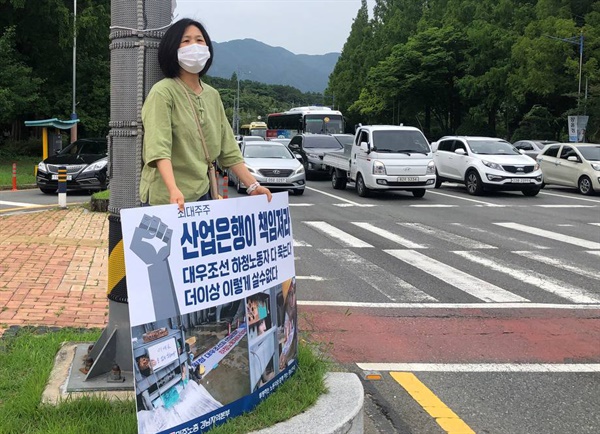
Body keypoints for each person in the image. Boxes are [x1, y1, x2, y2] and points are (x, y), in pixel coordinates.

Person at [140, 18, 272, 210]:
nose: (194, 46)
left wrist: (253, 186)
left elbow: (229, 150)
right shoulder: (163, 92)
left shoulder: (212, 95)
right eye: (185, 41)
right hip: (165, 199)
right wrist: (173, 189)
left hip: (203, 194)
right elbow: (158, 149)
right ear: (172, 49)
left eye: (199, 40)